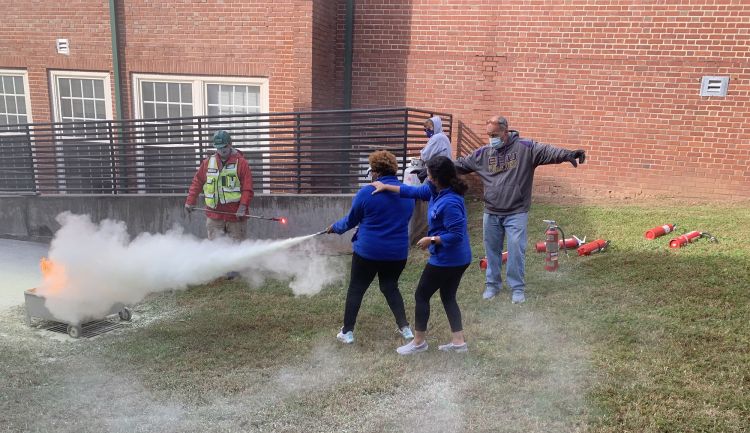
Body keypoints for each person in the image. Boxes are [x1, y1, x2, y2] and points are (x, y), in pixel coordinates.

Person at [454, 115, 586, 304]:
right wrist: (433, 169)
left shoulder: (525, 148)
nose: (492, 138)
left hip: (516, 211)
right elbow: (460, 164)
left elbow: (548, 151)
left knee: (516, 250)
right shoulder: (483, 153)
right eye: (489, 135)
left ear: (505, 132)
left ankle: (517, 288)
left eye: (495, 134)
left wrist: (568, 154)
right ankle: (492, 285)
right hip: (491, 211)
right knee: (492, 250)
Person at [372, 156, 472, 355]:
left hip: (449, 259)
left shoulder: (450, 201)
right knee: (448, 296)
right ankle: (459, 342)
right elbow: (412, 191)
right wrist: (386, 186)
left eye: (429, 173)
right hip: (457, 258)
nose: (426, 176)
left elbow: (456, 235)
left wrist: (432, 240)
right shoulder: (435, 190)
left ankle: (418, 343)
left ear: (437, 177)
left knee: (422, 294)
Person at [326, 150, 416, 345]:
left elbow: (351, 221)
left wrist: (335, 228)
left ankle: (347, 332)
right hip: (397, 253)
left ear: (375, 172)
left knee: (356, 289)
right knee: (390, 287)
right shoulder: (407, 193)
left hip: (368, 252)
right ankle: (405, 328)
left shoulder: (367, 192)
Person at [184, 130, 254, 241]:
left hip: (235, 216)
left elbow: (247, 188)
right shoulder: (208, 163)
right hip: (214, 216)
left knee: (237, 249)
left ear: (230, 144)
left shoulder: (241, 163)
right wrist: (190, 201)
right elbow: (197, 182)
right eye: (219, 147)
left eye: (224, 146)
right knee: (215, 249)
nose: (222, 150)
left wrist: (243, 207)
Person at [411, 115, 452, 184]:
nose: (427, 131)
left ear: (436, 126)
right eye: (425, 129)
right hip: (445, 170)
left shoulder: (436, 138)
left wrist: (421, 153)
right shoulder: (443, 137)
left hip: (437, 172)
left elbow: (425, 156)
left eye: (429, 128)